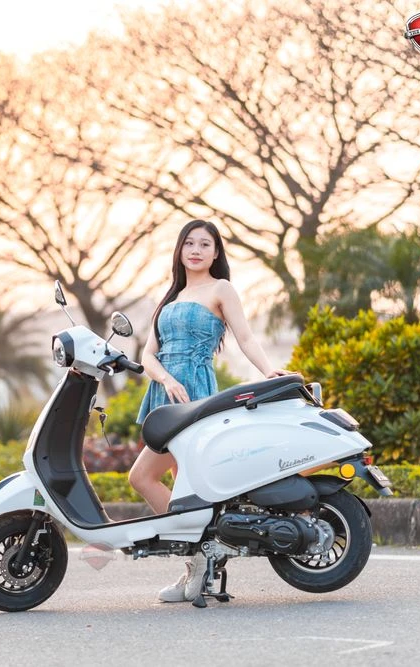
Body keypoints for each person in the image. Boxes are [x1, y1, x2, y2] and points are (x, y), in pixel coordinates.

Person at [128, 219, 290, 603]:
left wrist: (269, 371)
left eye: (204, 244)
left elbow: (245, 336)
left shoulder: (221, 289)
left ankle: (199, 559)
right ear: (180, 250)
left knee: (149, 478)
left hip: (196, 396)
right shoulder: (170, 297)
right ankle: (197, 561)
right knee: (176, 488)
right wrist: (165, 379)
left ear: (216, 252)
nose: (196, 250)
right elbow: (148, 355)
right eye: (189, 243)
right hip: (165, 396)